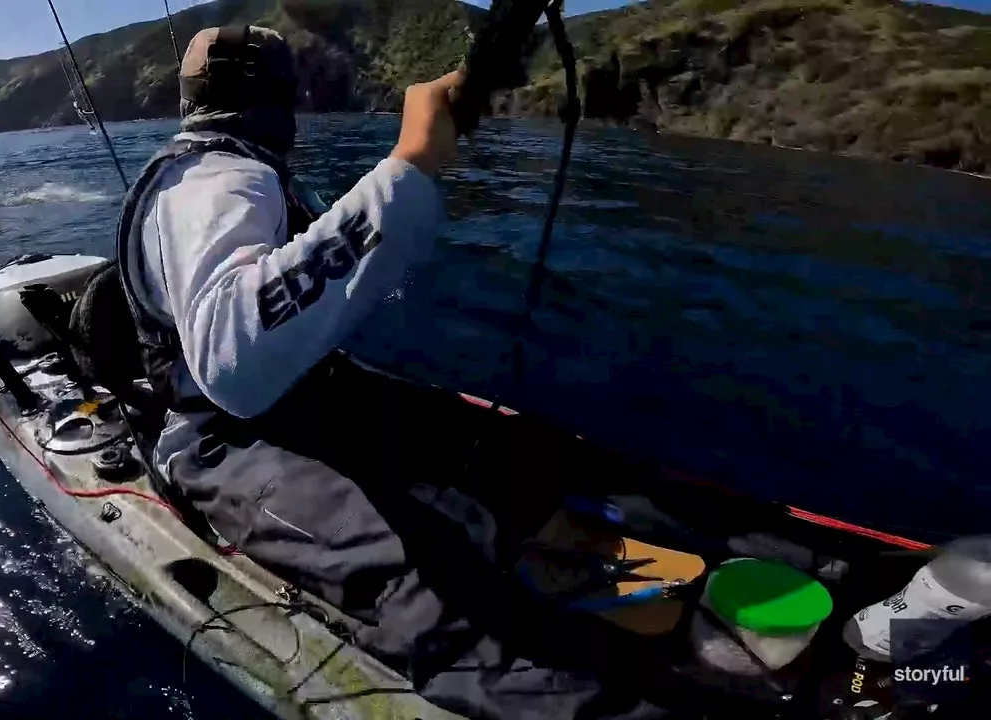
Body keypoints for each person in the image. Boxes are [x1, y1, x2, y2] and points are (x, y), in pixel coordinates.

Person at [88, 25, 677, 720]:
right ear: (284, 99)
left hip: (310, 403)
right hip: (222, 443)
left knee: (508, 451)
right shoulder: (217, 183)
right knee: (423, 576)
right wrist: (412, 162)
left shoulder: (227, 172)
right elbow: (233, 365)